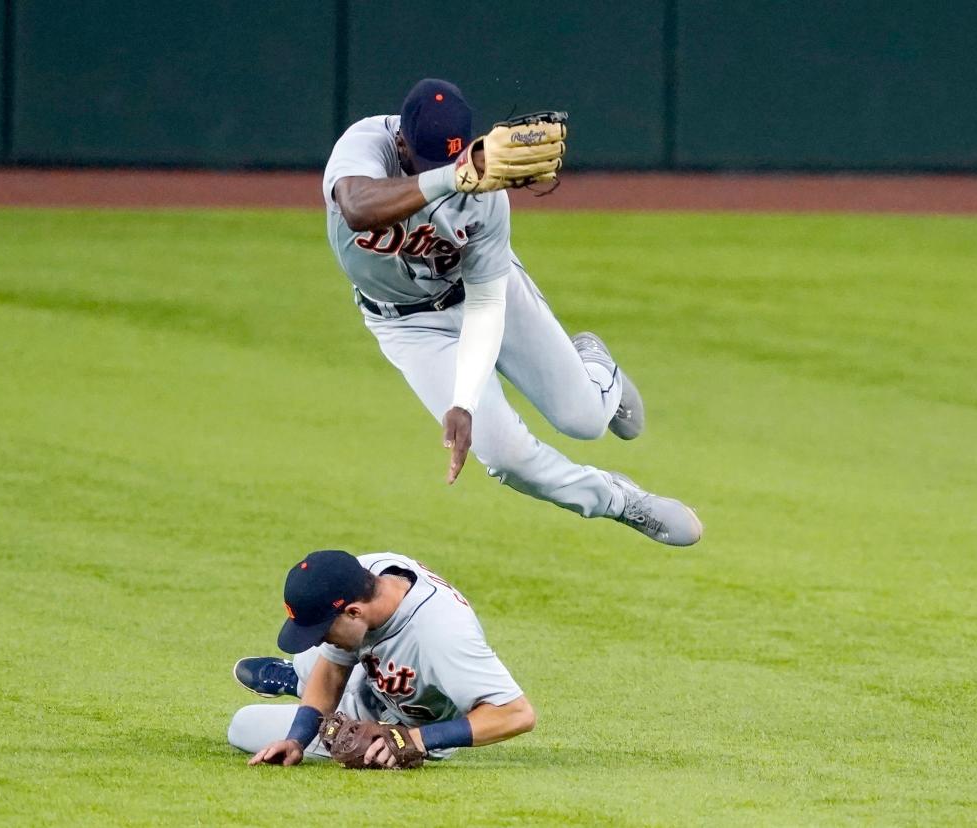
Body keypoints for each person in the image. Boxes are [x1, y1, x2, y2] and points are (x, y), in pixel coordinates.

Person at [321, 77, 702, 546]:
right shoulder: (366, 143)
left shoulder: (487, 192)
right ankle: (621, 501)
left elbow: (484, 303)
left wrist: (464, 398)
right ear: (402, 140)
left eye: (455, 159)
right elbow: (357, 208)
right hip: (409, 325)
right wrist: (449, 176)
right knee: (505, 456)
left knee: (583, 420)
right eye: (435, 162)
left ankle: (599, 370)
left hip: (481, 294)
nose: (453, 171)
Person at [228, 549, 534, 767]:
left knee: (243, 726)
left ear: (354, 612)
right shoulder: (364, 574)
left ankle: (306, 681)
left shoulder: (442, 634)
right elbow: (333, 669)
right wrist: (296, 740)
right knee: (318, 659)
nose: (318, 638)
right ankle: (301, 678)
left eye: (322, 631)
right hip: (375, 678)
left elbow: (516, 714)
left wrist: (415, 740)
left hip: (410, 722)